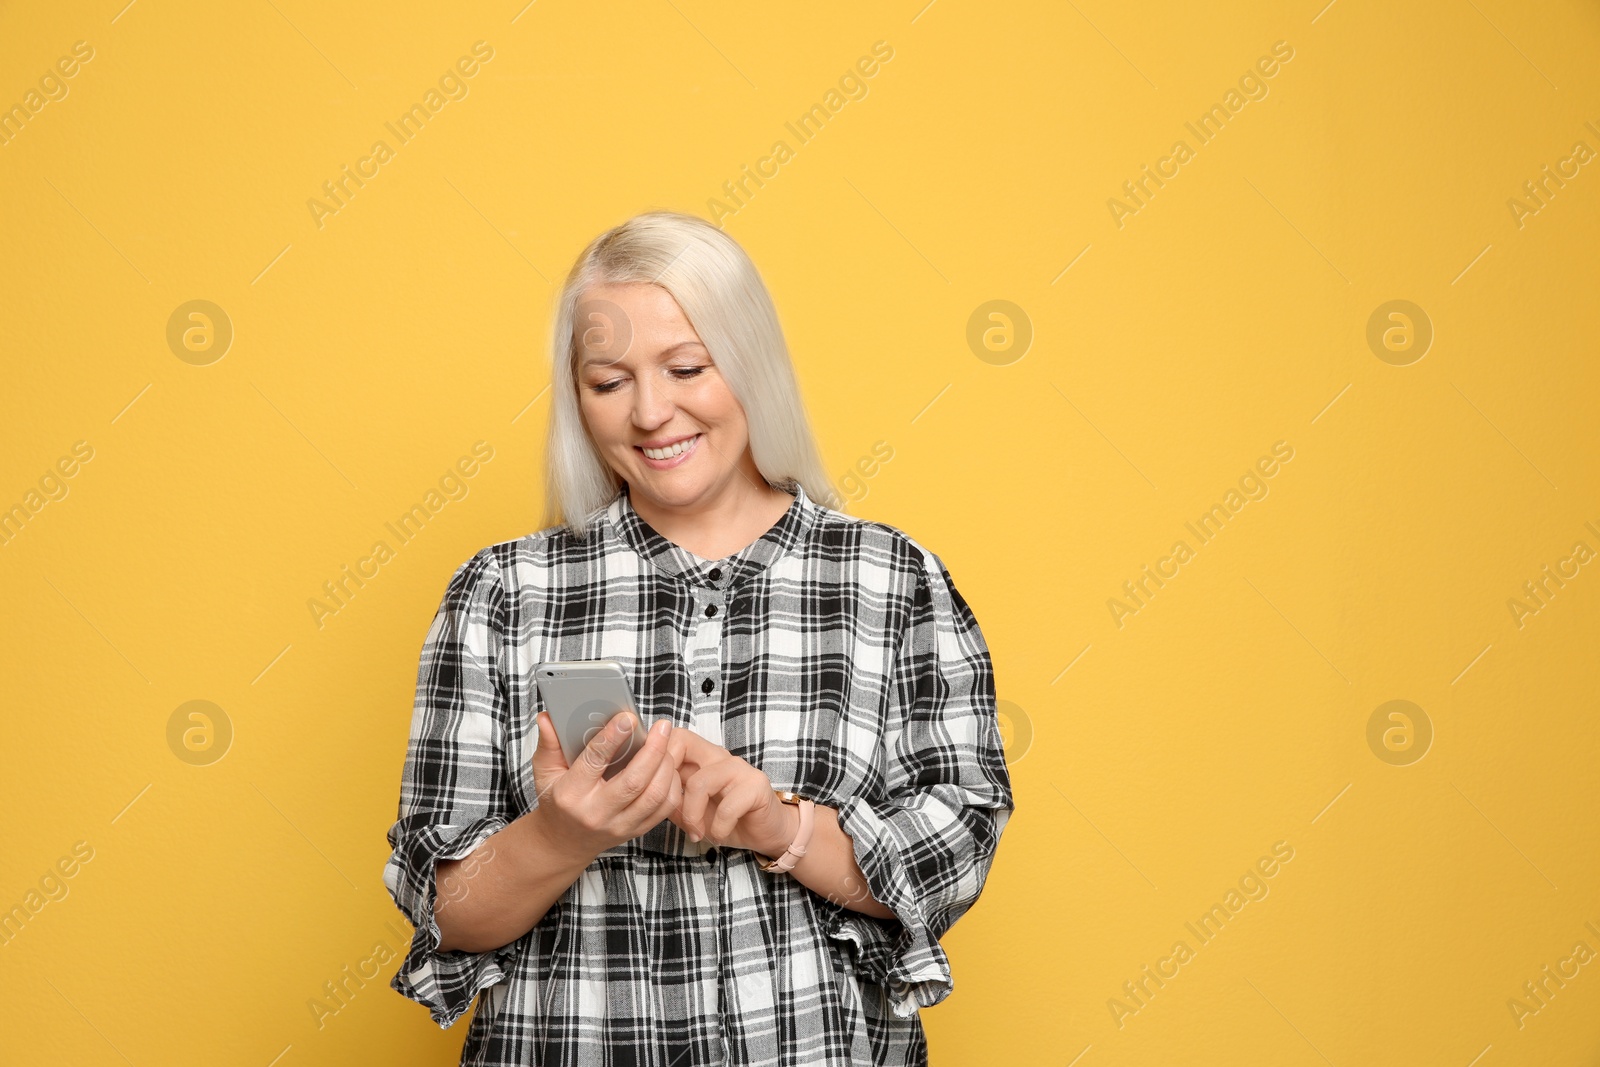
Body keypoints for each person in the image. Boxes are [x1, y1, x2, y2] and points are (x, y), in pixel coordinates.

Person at [382, 210, 1014, 1066]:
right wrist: (561, 837)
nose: (650, 412)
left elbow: (954, 853)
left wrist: (772, 822)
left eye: (686, 367)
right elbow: (445, 907)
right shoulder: (502, 593)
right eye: (609, 383)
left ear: (749, 362)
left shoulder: (890, 579)